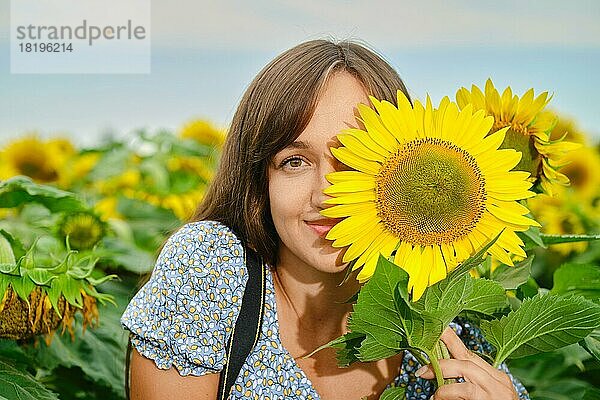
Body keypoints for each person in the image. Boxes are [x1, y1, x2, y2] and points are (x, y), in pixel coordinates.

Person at [121, 39, 529, 400]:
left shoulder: (445, 317)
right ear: (259, 177)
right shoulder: (211, 267)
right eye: (294, 162)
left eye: (353, 161)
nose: (327, 196)